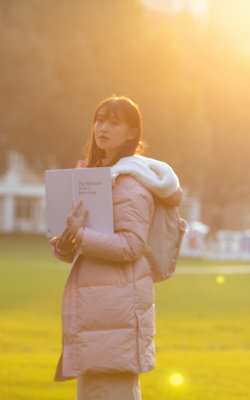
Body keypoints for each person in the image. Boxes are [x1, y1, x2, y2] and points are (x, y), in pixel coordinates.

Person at [49, 96, 183, 399]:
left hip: (115, 313)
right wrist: (67, 242)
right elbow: (85, 243)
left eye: (114, 122)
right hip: (100, 312)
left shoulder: (130, 183)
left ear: (132, 133)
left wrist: (80, 235)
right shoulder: (96, 177)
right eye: (99, 120)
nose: (102, 128)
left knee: (108, 392)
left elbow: (131, 246)